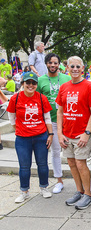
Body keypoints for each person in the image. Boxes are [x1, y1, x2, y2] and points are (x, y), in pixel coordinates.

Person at [56, 56, 91, 210]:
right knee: (71, 163)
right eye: (72, 66)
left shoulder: (89, 87)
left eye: (78, 66)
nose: (75, 69)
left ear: (83, 69)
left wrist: (87, 133)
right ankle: (79, 191)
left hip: (81, 133)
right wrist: (59, 134)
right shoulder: (64, 87)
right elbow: (60, 112)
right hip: (66, 133)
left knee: (81, 163)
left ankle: (88, 195)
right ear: (67, 68)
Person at [6, 72, 54, 203]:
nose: (31, 85)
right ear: (23, 84)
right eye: (28, 83)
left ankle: (44, 187)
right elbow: (11, 117)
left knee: (42, 164)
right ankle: (24, 191)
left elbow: (47, 118)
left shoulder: (41, 98)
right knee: (24, 166)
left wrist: (50, 134)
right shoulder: (16, 98)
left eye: (34, 83)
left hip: (40, 136)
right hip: (23, 138)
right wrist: (19, 129)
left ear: (36, 85)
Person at [37, 53, 71, 194]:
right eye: (50, 63)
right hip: (51, 121)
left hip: (68, 120)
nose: (53, 65)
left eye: (55, 63)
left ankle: (82, 179)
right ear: (46, 64)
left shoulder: (67, 78)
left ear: (59, 65)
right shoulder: (40, 81)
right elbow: (37, 100)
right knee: (56, 151)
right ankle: (59, 180)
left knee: (74, 153)